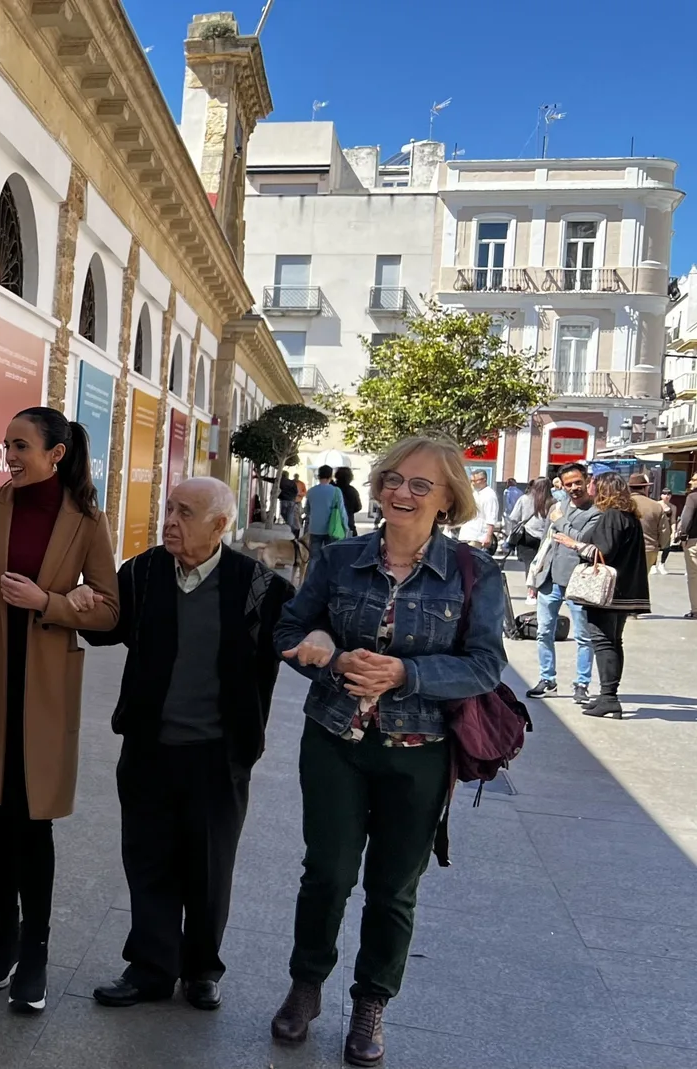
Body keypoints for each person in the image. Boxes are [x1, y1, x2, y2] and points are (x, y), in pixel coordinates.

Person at [270, 437, 508, 1068]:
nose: (401, 493)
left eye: (420, 485)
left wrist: (405, 676)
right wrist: (333, 656)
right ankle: (306, 985)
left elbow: (486, 667)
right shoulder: (340, 559)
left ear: (449, 497)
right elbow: (289, 631)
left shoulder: (475, 574)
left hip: (419, 751)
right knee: (327, 872)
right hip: (334, 741)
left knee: (394, 886)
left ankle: (372, 1000)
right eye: (392, 480)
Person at [82, 478, 294, 1012]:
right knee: (148, 860)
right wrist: (83, 602)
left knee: (208, 865)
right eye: (169, 509)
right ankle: (152, 967)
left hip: (219, 754)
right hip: (149, 746)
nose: (169, 521)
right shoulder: (145, 572)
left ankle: (201, 968)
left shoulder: (258, 588)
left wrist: (324, 643)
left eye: (185, 512)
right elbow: (109, 629)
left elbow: (299, 635)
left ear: (220, 526)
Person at [0, 406, 119, 1014]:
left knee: (32, 820)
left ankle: (35, 950)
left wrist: (50, 602)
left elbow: (110, 613)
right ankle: (4, 936)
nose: (9, 455)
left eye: (20, 445)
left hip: (42, 691)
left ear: (56, 454)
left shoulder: (88, 522)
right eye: (6, 445)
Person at [551, 474, 649, 718]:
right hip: (623, 590)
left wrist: (573, 544)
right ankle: (607, 696)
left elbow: (602, 551)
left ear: (603, 488)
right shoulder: (628, 515)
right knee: (613, 642)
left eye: (593, 483)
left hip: (607, 593)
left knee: (604, 642)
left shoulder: (612, 516)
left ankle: (609, 698)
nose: (589, 487)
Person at [525, 464, 598, 705]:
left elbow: (582, 541)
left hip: (578, 581)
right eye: (569, 484)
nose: (574, 488)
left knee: (583, 636)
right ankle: (548, 679)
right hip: (549, 580)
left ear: (587, 481)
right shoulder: (557, 507)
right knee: (544, 633)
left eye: (578, 482)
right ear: (562, 486)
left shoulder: (596, 512)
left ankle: (582, 683)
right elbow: (547, 543)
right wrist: (535, 576)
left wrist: (561, 520)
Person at [506, 478, 553, 597]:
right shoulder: (553, 501)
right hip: (546, 537)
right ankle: (541, 588)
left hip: (527, 535)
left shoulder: (524, 499)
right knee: (543, 562)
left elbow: (513, 517)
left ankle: (531, 590)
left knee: (529, 562)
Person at [303, 465, 349, 559]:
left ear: (319, 476)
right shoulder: (336, 491)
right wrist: (346, 527)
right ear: (330, 476)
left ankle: (314, 573)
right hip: (331, 529)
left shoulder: (311, 491)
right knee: (330, 558)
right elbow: (341, 511)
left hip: (314, 528)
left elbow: (307, 510)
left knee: (314, 558)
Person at [629, 474, 670, 577]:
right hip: (649, 549)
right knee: (642, 579)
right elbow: (664, 531)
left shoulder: (623, 503)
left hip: (627, 549)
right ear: (645, 488)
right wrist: (661, 545)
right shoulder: (656, 506)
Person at [456, 469, 500, 549]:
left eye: (475, 481)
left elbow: (491, 517)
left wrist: (488, 536)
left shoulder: (489, 495)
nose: (472, 483)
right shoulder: (475, 493)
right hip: (466, 533)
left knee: (471, 559)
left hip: (477, 536)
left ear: (484, 480)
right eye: (471, 481)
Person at [680, 492, 697, 619]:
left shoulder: (693, 497)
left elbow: (686, 519)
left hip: (694, 541)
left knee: (694, 576)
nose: (691, 481)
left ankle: (696, 609)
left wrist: (683, 535)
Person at [336, 467, 363, 536]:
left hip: (333, 523)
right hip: (349, 522)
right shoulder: (352, 491)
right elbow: (358, 507)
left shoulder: (332, 489)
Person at [657, 492, 679, 575]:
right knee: (655, 547)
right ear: (661, 495)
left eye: (669, 494)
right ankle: (653, 565)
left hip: (667, 529)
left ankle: (662, 564)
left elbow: (673, 520)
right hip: (657, 528)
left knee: (667, 547)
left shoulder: (673, 507)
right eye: (665, 494)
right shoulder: (657, 505)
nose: (667, 496)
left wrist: (674, 531)